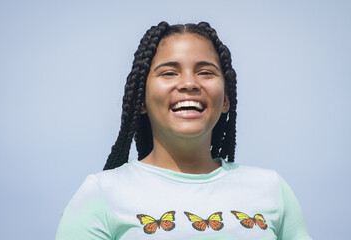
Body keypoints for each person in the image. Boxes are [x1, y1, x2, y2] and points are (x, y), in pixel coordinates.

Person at [56, 21, 312, 240]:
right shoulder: (101, 195)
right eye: (169, 73)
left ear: (226, 100)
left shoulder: (271, 189)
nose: (189, 83)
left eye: (205, 72)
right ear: (141, 101)